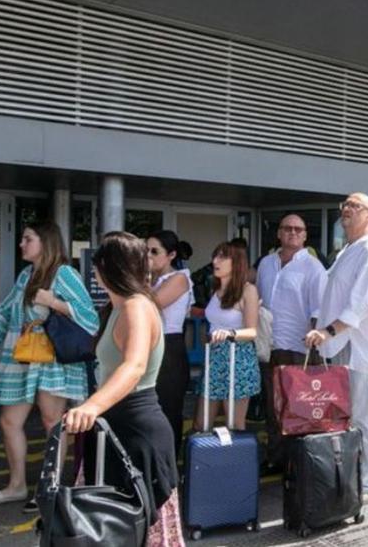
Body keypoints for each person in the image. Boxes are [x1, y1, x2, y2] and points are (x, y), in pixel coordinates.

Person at [0, 221, 99, 511]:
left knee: (52, 422)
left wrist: (53, 301)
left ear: (46, 242)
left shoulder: (64, 273)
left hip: (51, 356)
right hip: (24, 353)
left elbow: (89, 316)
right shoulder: (26, 275)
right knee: (9, 421)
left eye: (28, 239)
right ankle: (17, 485)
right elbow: (5, 310)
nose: (21, 244)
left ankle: (49, 487)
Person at [62, 232, 184, 547]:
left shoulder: (136, 306)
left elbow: (134, 367)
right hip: (114, 430)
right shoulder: (117, 307)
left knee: (135, 532)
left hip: (135, 432)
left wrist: (90, 406)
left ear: (104, 269)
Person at [305, 193, 368, 505]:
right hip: (337, 346)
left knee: (366, 417)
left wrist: (326, 331)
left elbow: (359, 305)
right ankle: (348, 478)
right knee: (344, 418)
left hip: (357, 348)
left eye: (354, 206)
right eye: (345, 205)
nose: (346, 209)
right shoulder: (349, 250)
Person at [255, 212, 326, 468]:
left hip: (300, 348)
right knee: (274, 407)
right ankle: (276, 458)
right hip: (270, 346)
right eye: (287, 228)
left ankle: (301, 463)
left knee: (300, 408)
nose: (293, 232)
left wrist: (315, 338)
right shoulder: (266, 264)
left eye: (298, 229)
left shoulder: (313, 267)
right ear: (279, 233)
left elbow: (319, 309)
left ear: (305, 235)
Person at [194, 240, 260, 431]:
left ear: (236, 262)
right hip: (214, 357)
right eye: (215, 256)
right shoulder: (216, 289)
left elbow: (252, 331)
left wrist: (229, 333)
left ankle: (234, 460)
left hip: (237, 358)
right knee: (202, 423)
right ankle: (204, 458)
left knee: (234, 424)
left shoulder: (248, 290)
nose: (216, 261)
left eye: (223, 257)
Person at [146, 230, 193, 457]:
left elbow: (152, 304)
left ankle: (169, 461)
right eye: (146, 251)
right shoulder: (151, 279)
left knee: (168, 406)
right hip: (150, 343)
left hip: (169, 345)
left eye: (155, 252)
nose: (149, 256)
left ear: (171, 254)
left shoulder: (179, 278)